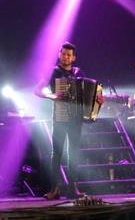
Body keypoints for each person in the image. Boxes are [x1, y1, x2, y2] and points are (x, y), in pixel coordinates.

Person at [35, 42, 103, 199]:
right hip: (60, 116)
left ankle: (73, 188)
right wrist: (51, 95)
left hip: (76, 118)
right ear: (59, 54)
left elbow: (90, 93)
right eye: (63, 54)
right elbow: (37, 90)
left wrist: (98, 99)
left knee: (74, 153)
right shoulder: (53, 72)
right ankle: (54, 189)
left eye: (69, 55)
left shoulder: (79, 72)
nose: (65, 57)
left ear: (73, 58)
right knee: (57, 153)